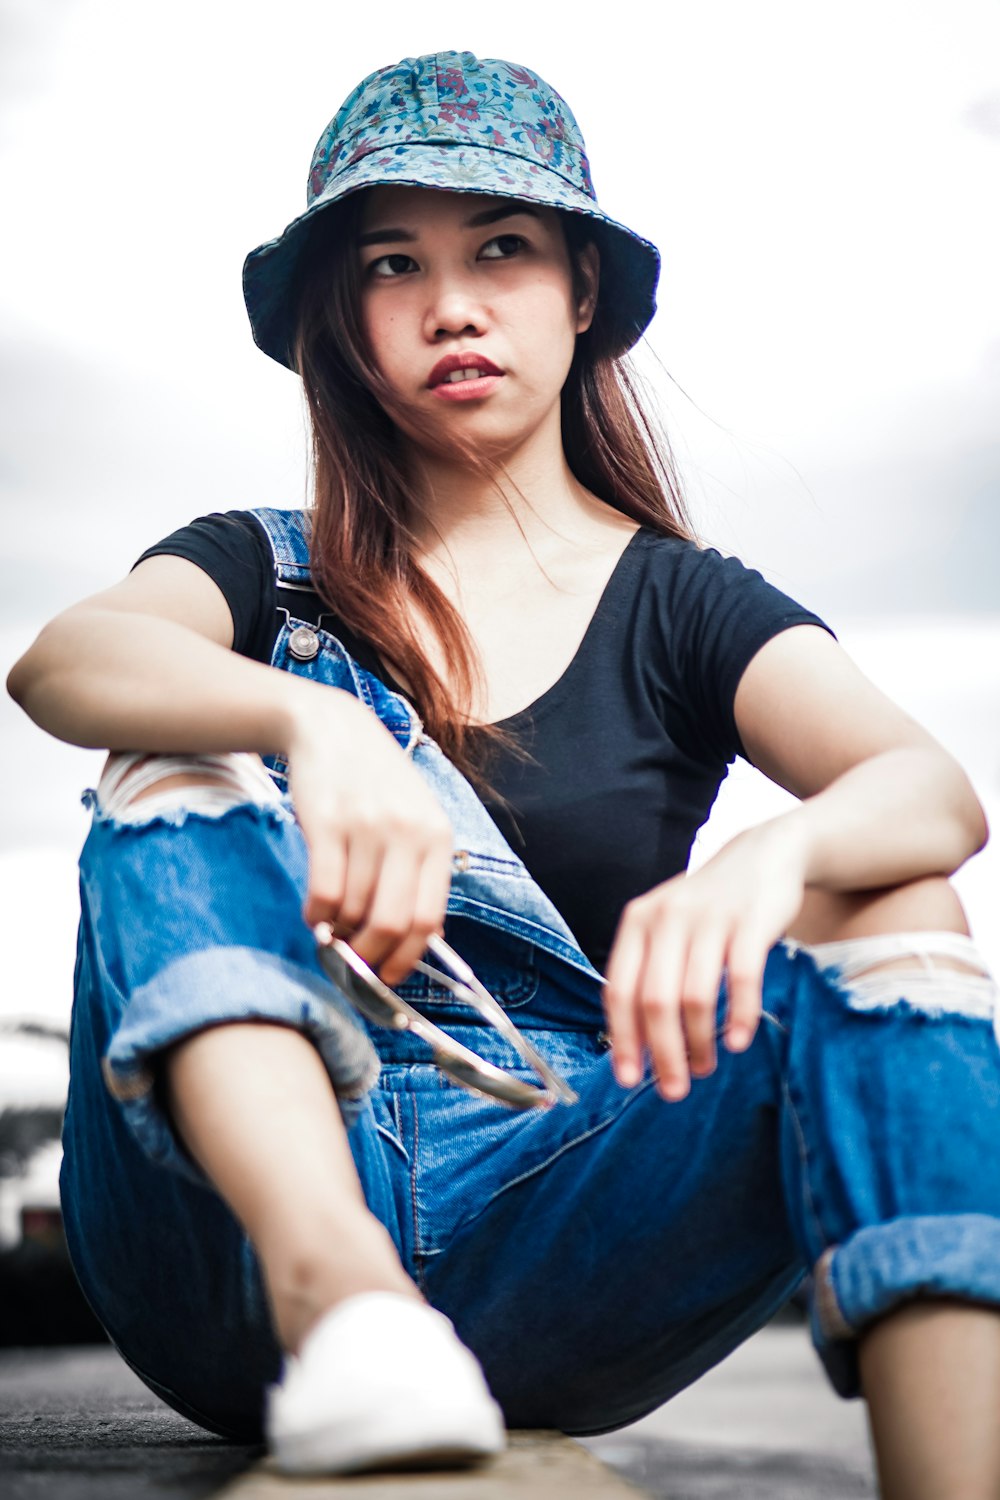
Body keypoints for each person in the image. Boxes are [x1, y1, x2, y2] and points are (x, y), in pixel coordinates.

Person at [7, 48, 1000, 1497]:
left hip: (549, 1214)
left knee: (893, 903)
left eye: (503, 250)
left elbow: (932, 791)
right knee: (172, 745)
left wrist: (763, 861)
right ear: (342, 317)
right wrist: (319, 726)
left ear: (581, 292)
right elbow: (65, 660)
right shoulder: (259, 572)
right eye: (393, 262)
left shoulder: (685, 604)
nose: (452, 303)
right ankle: (344, 1300)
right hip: (219, 1242)